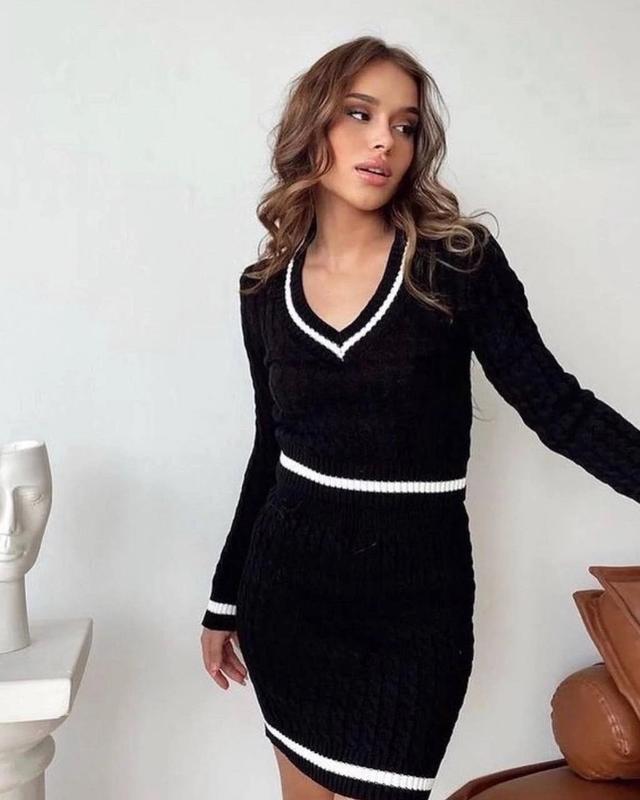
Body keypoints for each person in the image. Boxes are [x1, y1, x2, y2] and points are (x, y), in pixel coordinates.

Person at [200, 35, 640, 800]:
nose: (384, 141)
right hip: (288, 596)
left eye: (404, 125)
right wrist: (223, 601)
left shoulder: (457, 263)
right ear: (312, 125)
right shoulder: (264, 288)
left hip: (413, 608)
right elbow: (271, 447)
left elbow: (557, 407)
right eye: (360, 114)